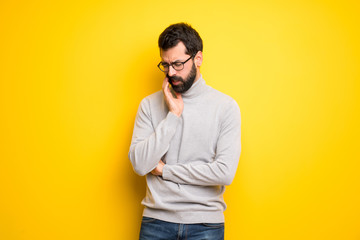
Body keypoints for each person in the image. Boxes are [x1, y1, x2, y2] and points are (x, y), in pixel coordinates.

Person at [128, 22, 241, 240]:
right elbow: (140, 165)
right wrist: (173, 116)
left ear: (198, 59)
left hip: (206, 223)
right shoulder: (149, 105)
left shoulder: (225, 107)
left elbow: (224, 172)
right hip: (156, 222)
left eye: (178, 64)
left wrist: (165, 171)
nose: (171, 72)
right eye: (165, 64)